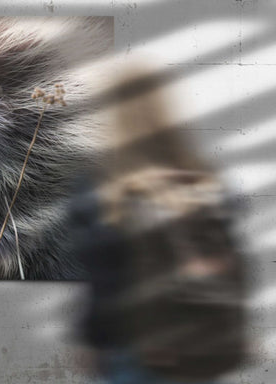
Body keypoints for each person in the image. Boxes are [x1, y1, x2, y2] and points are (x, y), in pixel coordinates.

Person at [72, 65, 248, 384]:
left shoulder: (106, 189)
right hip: (200, 344)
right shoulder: (207, 182)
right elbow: (233, 262)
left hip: (135, 351)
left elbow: (105, 284)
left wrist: (93, 340)